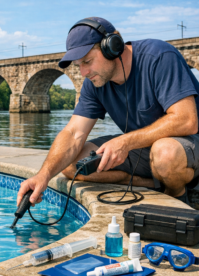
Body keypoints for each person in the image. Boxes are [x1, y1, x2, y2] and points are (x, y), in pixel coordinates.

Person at [17, 17, 199, 207]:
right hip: (143, 148)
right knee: (72, 165)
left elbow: (186, 120)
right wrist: (43, 176)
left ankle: (177, 194)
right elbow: (73, 133)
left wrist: (126, 141)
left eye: (87, 61)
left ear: (113, 46)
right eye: (78, 65)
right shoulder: (94, 82)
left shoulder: (160, 56)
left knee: (165, 153)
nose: (83, 73)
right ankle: (153, 182)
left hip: (187, 144)